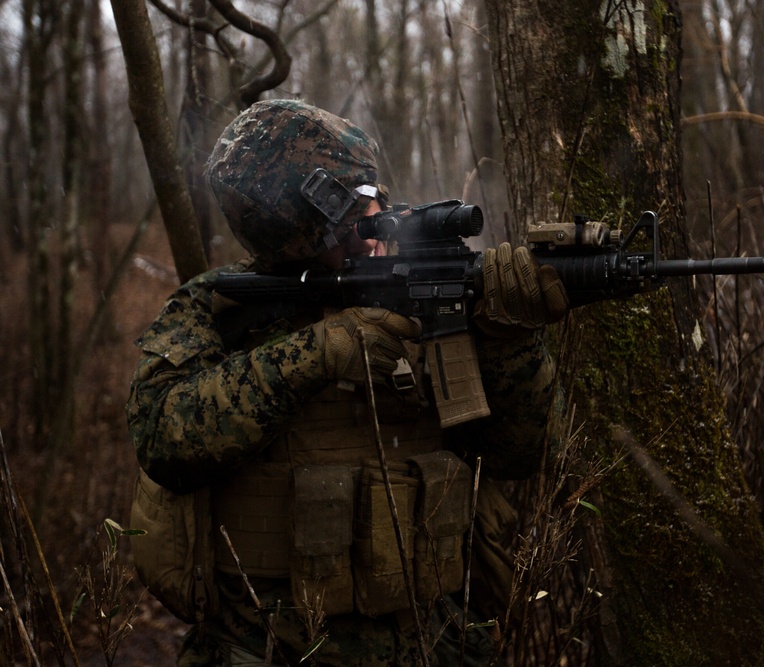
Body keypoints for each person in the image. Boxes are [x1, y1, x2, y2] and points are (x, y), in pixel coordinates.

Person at [126, 99, 568, 666]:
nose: (369, 235)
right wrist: (318, 353)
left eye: (373, 205)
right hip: (267, 650)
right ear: (287, 238)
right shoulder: (221, 306)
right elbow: (164, 437)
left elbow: (522, 454)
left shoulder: (439, 295)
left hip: (435, 646)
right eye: (342, 225)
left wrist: (511, 338)